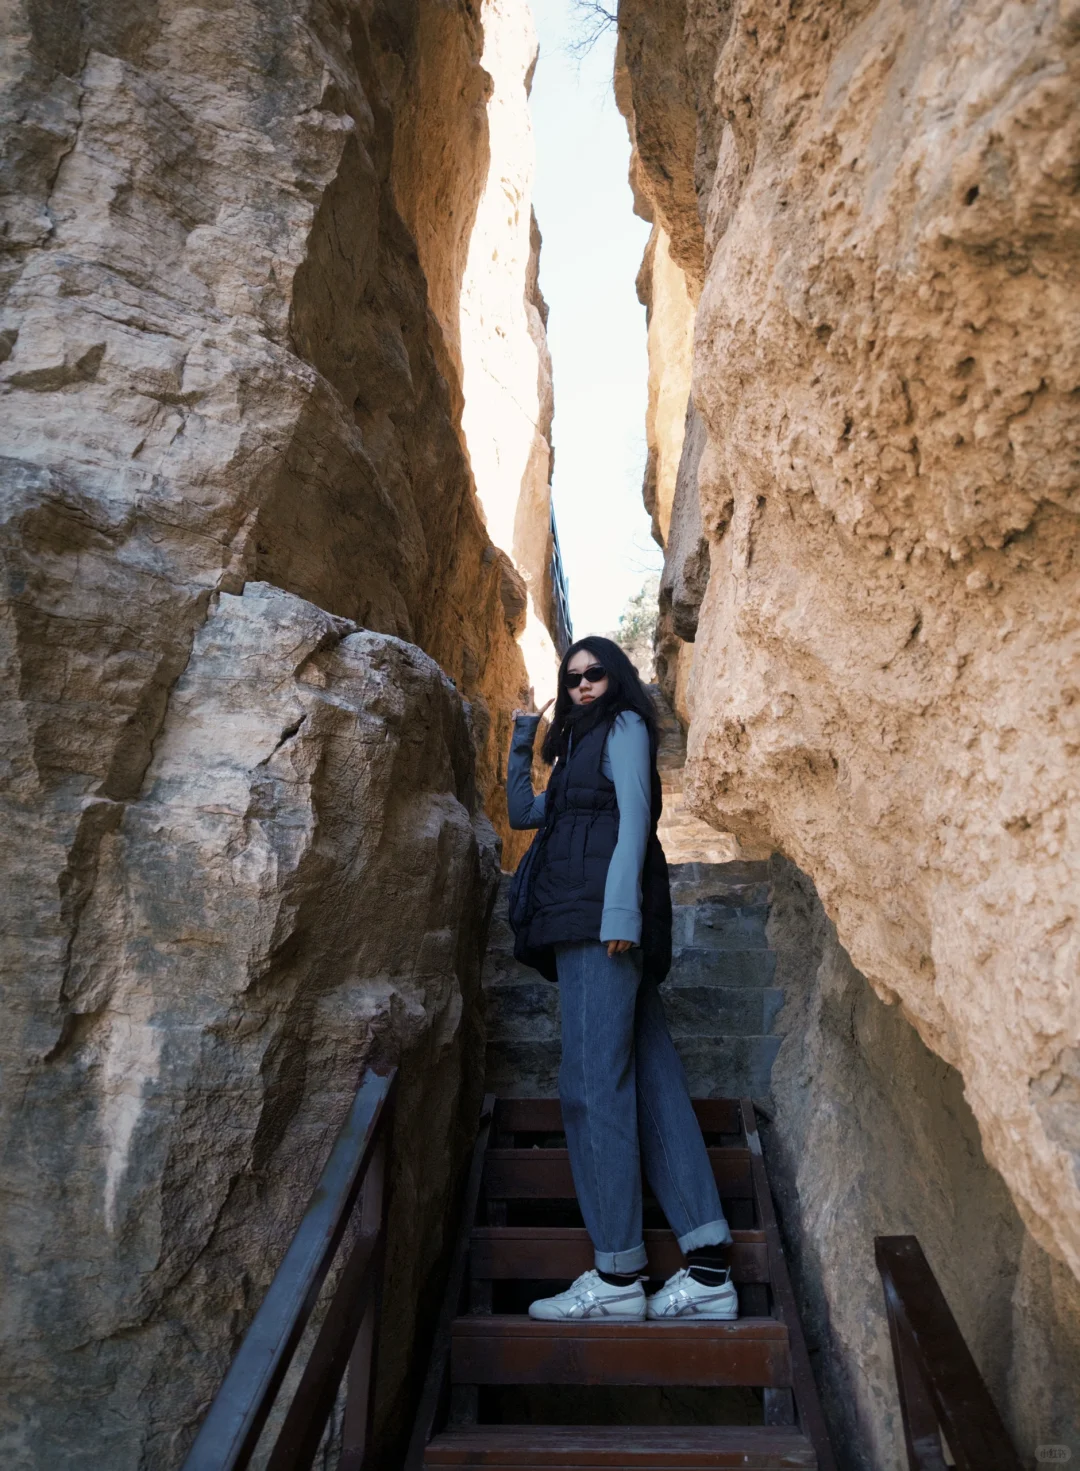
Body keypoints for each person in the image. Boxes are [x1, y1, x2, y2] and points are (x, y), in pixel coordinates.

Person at [506, 636, 736, 1322]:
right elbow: (524, 813)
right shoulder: (576, 752)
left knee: (589, 1085)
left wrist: (620, 913)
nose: (582, 684)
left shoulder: (627, 727)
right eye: (571, 676)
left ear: (618, 677)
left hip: (603, 925)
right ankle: (710, 1264)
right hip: (581, 919)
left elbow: (638, 817)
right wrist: (526, 739)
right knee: (652, 1081)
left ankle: (617, 1273)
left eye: (594, 673)